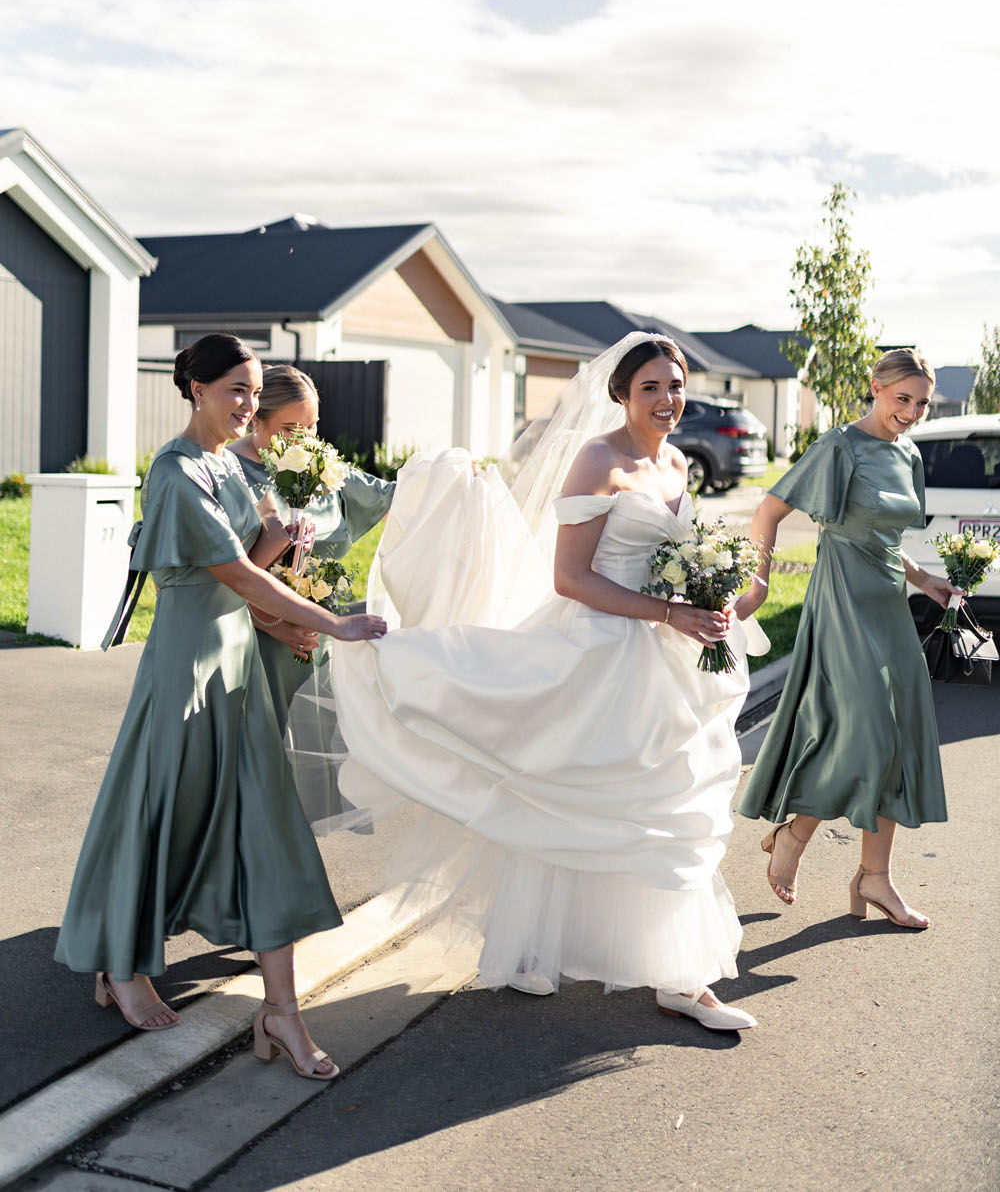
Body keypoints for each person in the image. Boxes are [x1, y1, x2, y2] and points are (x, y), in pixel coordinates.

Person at [329, 334, 764, 1031]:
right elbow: (571, 578)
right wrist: (667, 610)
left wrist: (720, 595)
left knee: (662, 802)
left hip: (664, 658)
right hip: (599, 649)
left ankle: (681, 976)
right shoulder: (598, 458)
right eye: (650, 386)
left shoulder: (678, 461)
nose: (666, 399)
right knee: (572, 795)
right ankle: (542, 948)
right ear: (621, 393)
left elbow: (677, 558)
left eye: (676, 385)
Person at [55, 334, 386, 1081]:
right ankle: (120, 966)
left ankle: (281, 1011)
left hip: (237, 665)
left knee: (267, 832)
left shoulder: (227, 468)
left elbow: (254, 560)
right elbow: (234, 574)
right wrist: (333, 621)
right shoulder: (176, 474)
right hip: (185, 671)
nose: (247, 405)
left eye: (253, 389)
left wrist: (286, 537)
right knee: (161, 818)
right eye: (236, 389)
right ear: (196, 389)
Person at [734, 349, 952, 928]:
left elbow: (878, 533)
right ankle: (796, 830)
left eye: (922, 402)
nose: (911, 411)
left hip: (887, 604)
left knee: (900, 733)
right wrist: (757, 584)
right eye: (902, 398)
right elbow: (767, 512)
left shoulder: (907, 453)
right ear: (875, 388)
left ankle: (874, 878)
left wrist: (924, 578)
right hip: (842, 600)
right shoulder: (839, 446)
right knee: (868, 731)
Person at [230, 363, 396, 831]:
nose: (304, 439)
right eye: (290, 428)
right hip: (253, 643)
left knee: (306, 777)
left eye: (313, 426)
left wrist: (450, 476)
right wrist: (274, 623)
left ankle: (289, 872)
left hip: (316, 643)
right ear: (255, 418)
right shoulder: (227, 471)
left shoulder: (323, 468)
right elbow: (218, 575)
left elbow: (392, 496)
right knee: (254, 768)